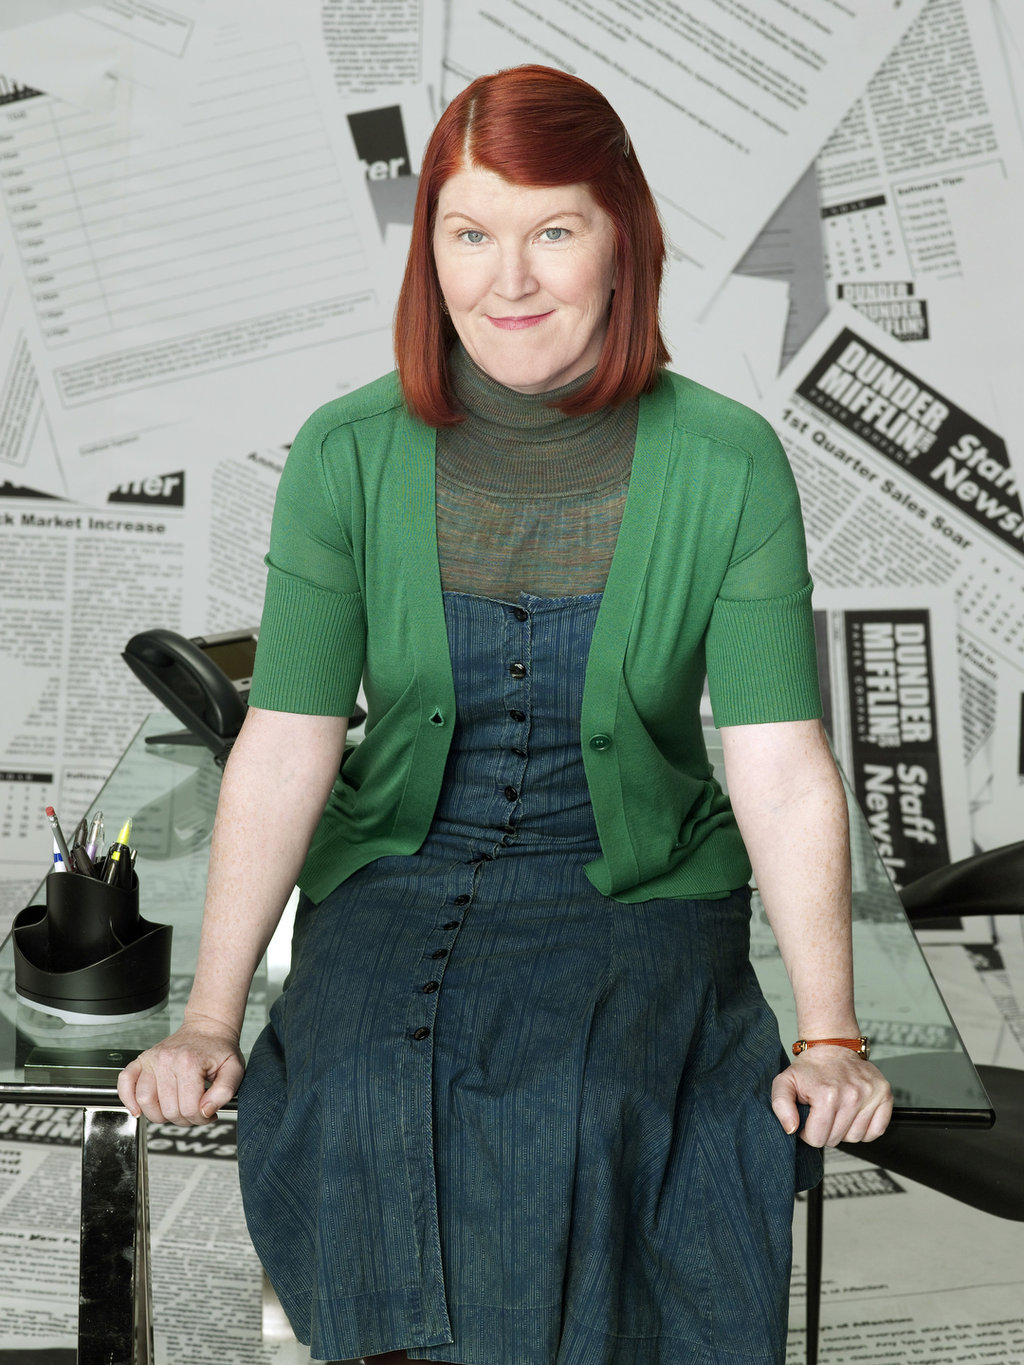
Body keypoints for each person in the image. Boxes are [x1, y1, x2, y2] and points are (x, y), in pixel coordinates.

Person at [118, 64, 892, 1365]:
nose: (508, 279)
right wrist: (208, 1017)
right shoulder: (344, 453)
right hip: (399, 870)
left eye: (553, 230)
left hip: (637, 882)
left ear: (622, 240)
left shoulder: (727, 461)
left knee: (599, 1103)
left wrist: (829, 1035)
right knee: (358, 1086)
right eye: (470, 232)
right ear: (430, 249)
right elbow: (289, 742)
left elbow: (779, 763)